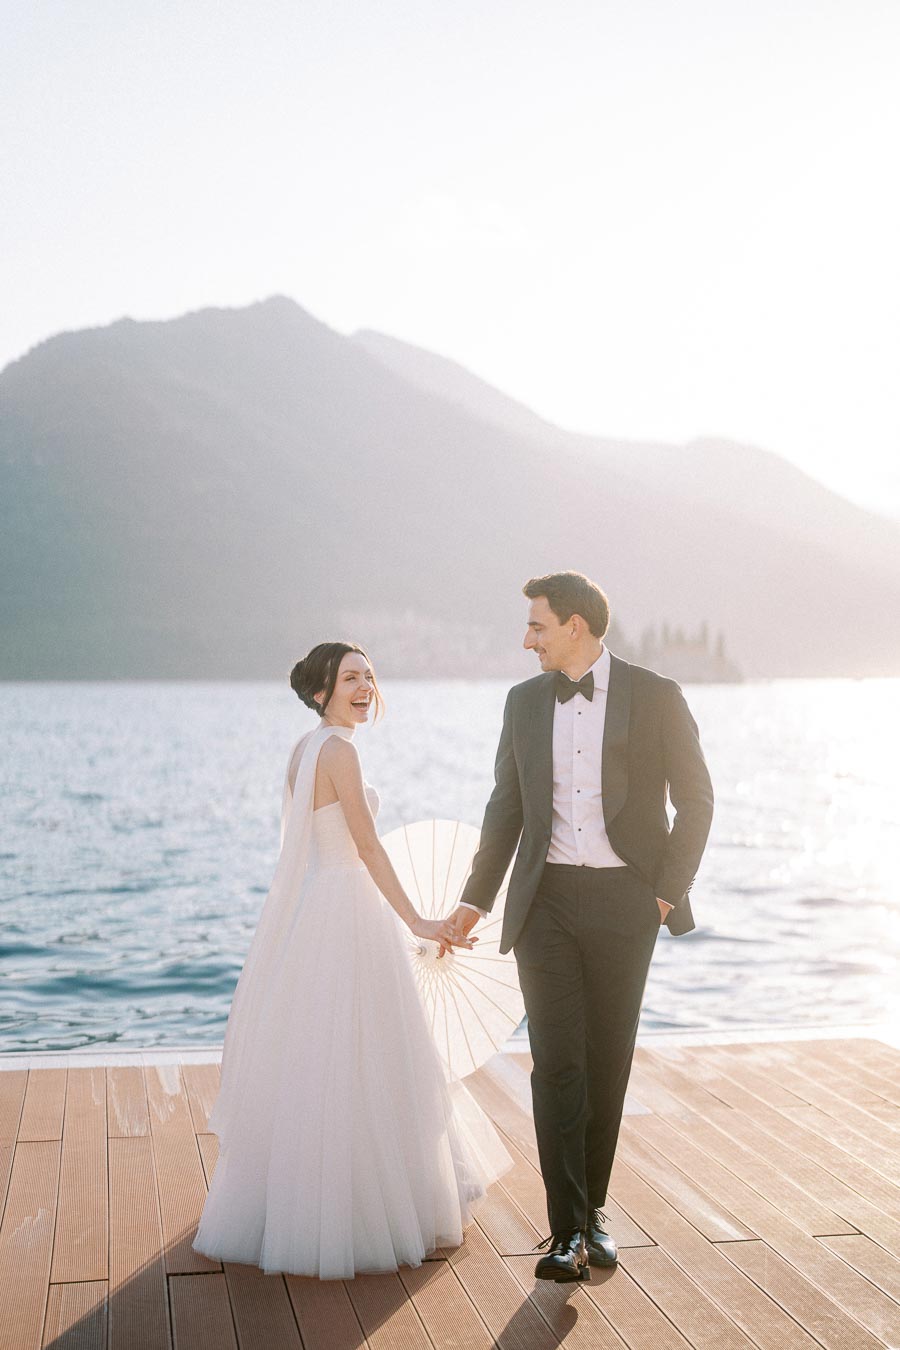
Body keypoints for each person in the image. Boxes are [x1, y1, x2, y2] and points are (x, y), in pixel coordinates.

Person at [192, 641, 513, 1279]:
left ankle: (302, 1205)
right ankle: (370, 1211)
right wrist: (418, 919)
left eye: (368, 676)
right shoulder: (340, 751)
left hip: (319, 907)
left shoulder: (304, 749)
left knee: (320, 1062)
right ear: (322, 692)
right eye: (349, 679)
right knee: (373, 1056)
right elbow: (367, 847)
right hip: (351, 909)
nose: (365, 687)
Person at [445, 571, 714, 1283]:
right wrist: (471, 904)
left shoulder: (656, 696)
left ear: (576, 626)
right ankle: (565, 1231)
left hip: (629, 902)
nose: (525, 638)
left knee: (607, 1063)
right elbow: (506, 811)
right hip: (547, 905)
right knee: (557, 1063)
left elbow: (698, 801)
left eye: (536, 624)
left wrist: (661, 899)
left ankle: (595, 1213)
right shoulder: (522, 703)